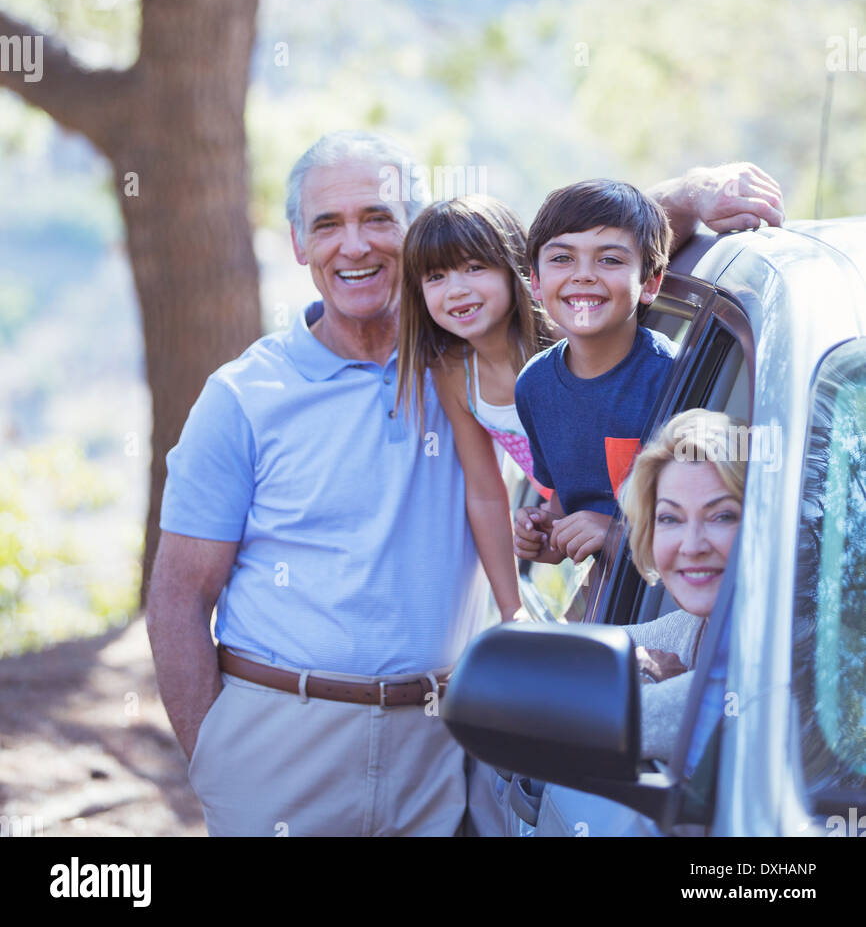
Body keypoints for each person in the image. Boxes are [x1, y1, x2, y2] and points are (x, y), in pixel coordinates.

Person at [145, 131, 782, 837]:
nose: (353, 246)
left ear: (415, 234)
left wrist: (690, 193)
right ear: (299, 243)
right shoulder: (246, 396)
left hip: (442, 740)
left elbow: (581, 257)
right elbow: (179, 591)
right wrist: (213, 757)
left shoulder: (467, 349)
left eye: (378, 218)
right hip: (279, 744)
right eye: (327, 224)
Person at [397, 195, 557, 623]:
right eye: (436, 276)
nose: (456, 289)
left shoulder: (562, 344)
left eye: (474, 267)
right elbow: (486, 493)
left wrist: (560, 510)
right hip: (576, 538)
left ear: (515, 268)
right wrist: (511, 610)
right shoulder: (452, 372)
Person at [513, 179, 676, 571]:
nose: (583, 275)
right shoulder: (534, 386)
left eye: (610, 260)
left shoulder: (670, 379)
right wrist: (549, 533)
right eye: (562, 259)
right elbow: (565, 500)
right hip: (602, 597)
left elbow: (703, 526)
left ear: (650, 283)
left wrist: (618, 534)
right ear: (535, 282)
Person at [619, 408, 747, 761]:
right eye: (670, 518)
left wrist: (642, 681)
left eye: (722, 516)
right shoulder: (696, 628)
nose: (692, 546)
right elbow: (580, 653)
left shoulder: (781, 654)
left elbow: (603, 722)